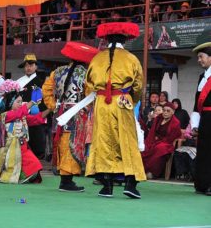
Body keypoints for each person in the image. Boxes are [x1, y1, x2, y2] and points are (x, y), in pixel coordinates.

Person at [85, 22, 146, 199]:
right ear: (125, 40)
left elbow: (88, 86)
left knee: (104, 141)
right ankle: (130, 183)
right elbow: (138, 85)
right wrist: (131, 100)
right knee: (126, 140)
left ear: (106, 40)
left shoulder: (96, 59)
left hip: (102, 103)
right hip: (122, 101)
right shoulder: (131, 58)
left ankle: (107, 186)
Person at [42, 42, 99, 192]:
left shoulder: (57, 71)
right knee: (72, 145)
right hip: (76, 114)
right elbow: (91, 95)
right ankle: (66, 181)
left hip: (60, 113)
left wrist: (54, 106)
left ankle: (64, 178)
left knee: (62, 143)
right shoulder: (87, 74)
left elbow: (46, 90)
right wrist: (86, 109)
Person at [0, 80, 51, 184]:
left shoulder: (22, 115)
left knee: (34, 164)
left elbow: (36, 118)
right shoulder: (6, 115)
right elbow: (18, 113)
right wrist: (32, 102)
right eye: (18, 102)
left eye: (21, 102)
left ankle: (20, 178)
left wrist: (50, 109)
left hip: (23, 146)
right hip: (10, 148)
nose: (20, 104)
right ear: (10, 102)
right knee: (10, 168)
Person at [190, 42, 211, 196]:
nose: (199, 60)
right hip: (205, 119)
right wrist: (195, 125)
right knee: (203, 151)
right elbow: (197, 103)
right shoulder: (201, 77)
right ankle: (202, 184)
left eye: (201, 57)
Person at [16, 53, 46, 159]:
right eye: (26, 65)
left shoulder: (40, 82)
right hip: (19, 114)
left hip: (32, 114)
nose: (28, 68)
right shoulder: (18, 82)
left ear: (36, 67)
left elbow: (38, 101)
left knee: (34, 139)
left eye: (31, 65)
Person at [142, 102, 182, 179]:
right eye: (164, 110)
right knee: (144, 146)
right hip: (154, 140)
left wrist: (159, 141)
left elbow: (173, 137)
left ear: (173, 112)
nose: (165, 113)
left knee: (160, 148)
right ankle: (142, 170)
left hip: (167, 143)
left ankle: (152, 173)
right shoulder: (158, 118)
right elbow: (152, 132)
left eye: (168, 111)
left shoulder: (176, 122)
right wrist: (150, 141)